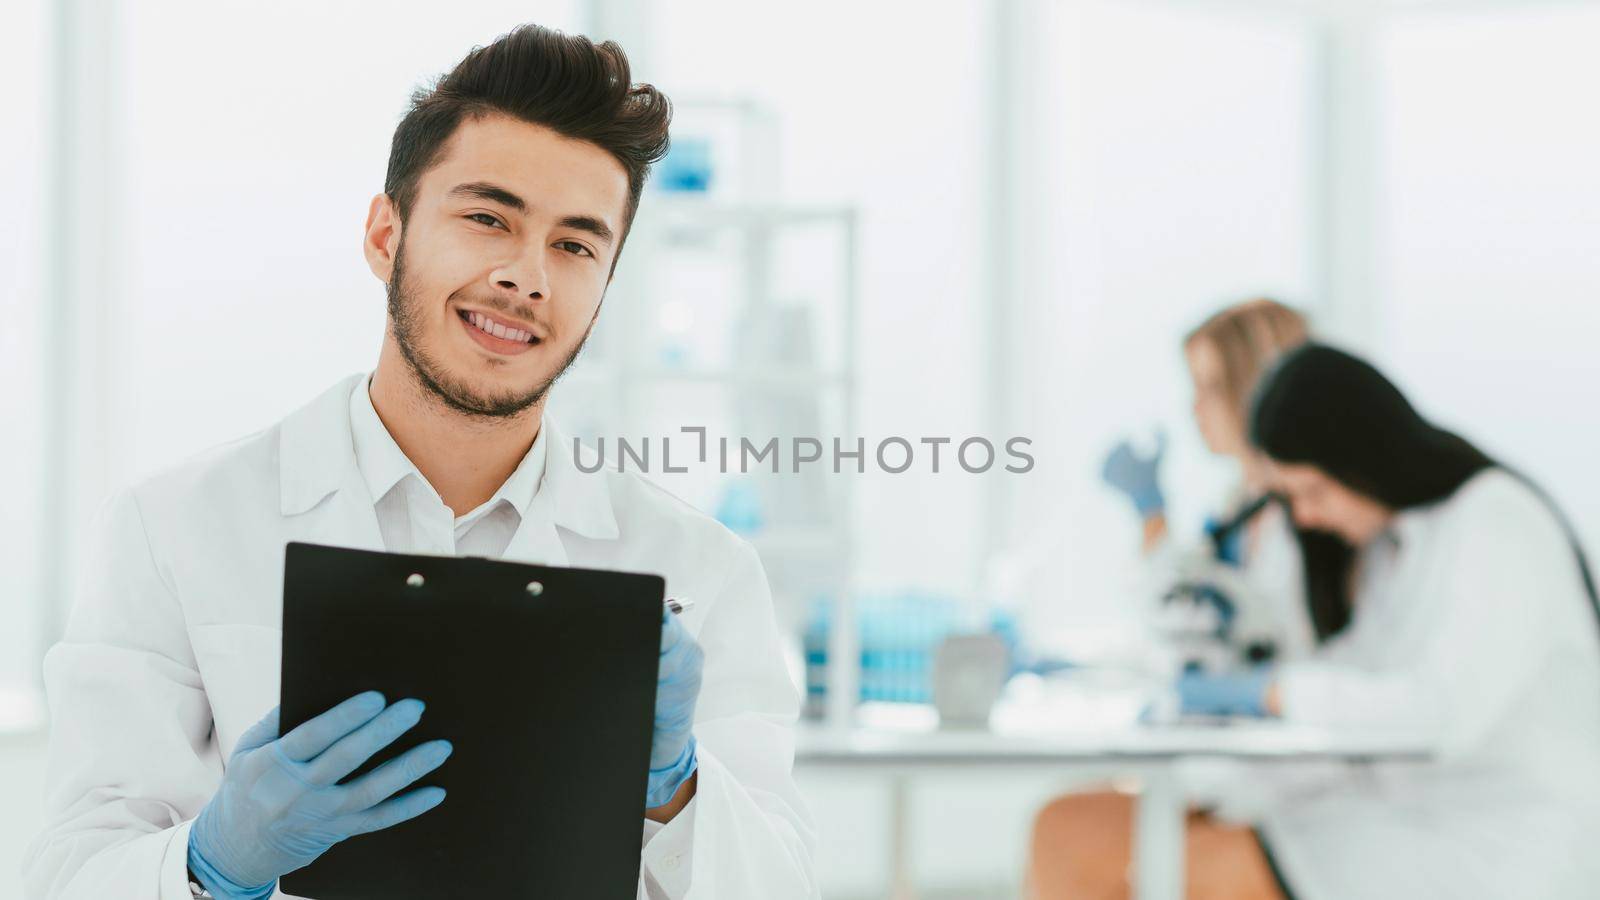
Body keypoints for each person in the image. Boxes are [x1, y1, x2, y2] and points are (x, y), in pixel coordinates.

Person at [22, 25, 817, 900]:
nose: (527, 277)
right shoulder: (171, 531)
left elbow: (780, 885)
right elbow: (69, 876)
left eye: (575, 245)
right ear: (383, 235)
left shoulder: (702, 571)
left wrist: (676, 786)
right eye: (487, 219)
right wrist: (214, 863)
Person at [1031, 344, 1600, 899]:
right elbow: (1356, 674)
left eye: (1313, 492)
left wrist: (1269, 693)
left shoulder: (1496, 523)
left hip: (1492, 844)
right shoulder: (1397, 544)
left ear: (1365, 459)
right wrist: (1223, 759)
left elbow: (1440, 714)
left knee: (1149, 863)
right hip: (1387, 816)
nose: (1304, 516)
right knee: (1068, 828)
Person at [1101, 299, 1312, 667]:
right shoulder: (1239, 505)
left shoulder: (1310, 510)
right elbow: (1182, 607)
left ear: (1258, 385)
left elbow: (1285, 640)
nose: (1194, 407)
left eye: (1211, 387)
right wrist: (1151, 516)